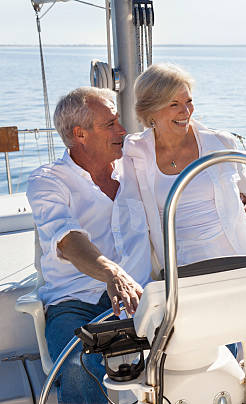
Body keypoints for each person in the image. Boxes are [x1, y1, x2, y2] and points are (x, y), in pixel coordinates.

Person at [27, 87, 151, 404]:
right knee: (77, 367)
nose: (122, 130)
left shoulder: (136, 164)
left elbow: (182, 153)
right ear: (80, 134)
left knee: (203, 343)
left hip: (143, 298)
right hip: (75, 302)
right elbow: (68, 241)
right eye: (110, 124)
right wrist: (112, 274)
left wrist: (237, 201)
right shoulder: (48, 181)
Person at [124, 63, 246, 278]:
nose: (186, 111)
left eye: (189, 101)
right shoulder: (135, 152)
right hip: (182, 271)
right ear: (151, 110)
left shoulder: (220, 143)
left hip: (240, 260)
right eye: (174, 104)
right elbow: (131, 220)